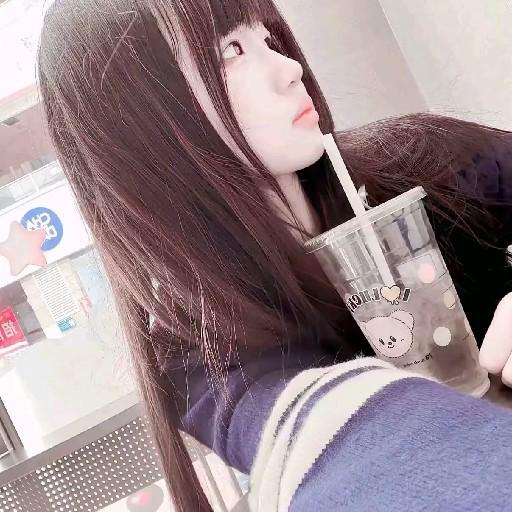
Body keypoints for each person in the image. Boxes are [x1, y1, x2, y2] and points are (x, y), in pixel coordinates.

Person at [37, 0, 512, 510]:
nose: (289, 68)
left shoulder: (425, 160)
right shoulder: (207, 352)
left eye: (266, 37)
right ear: (140, 120)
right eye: (231, 50)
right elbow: (354, 449)